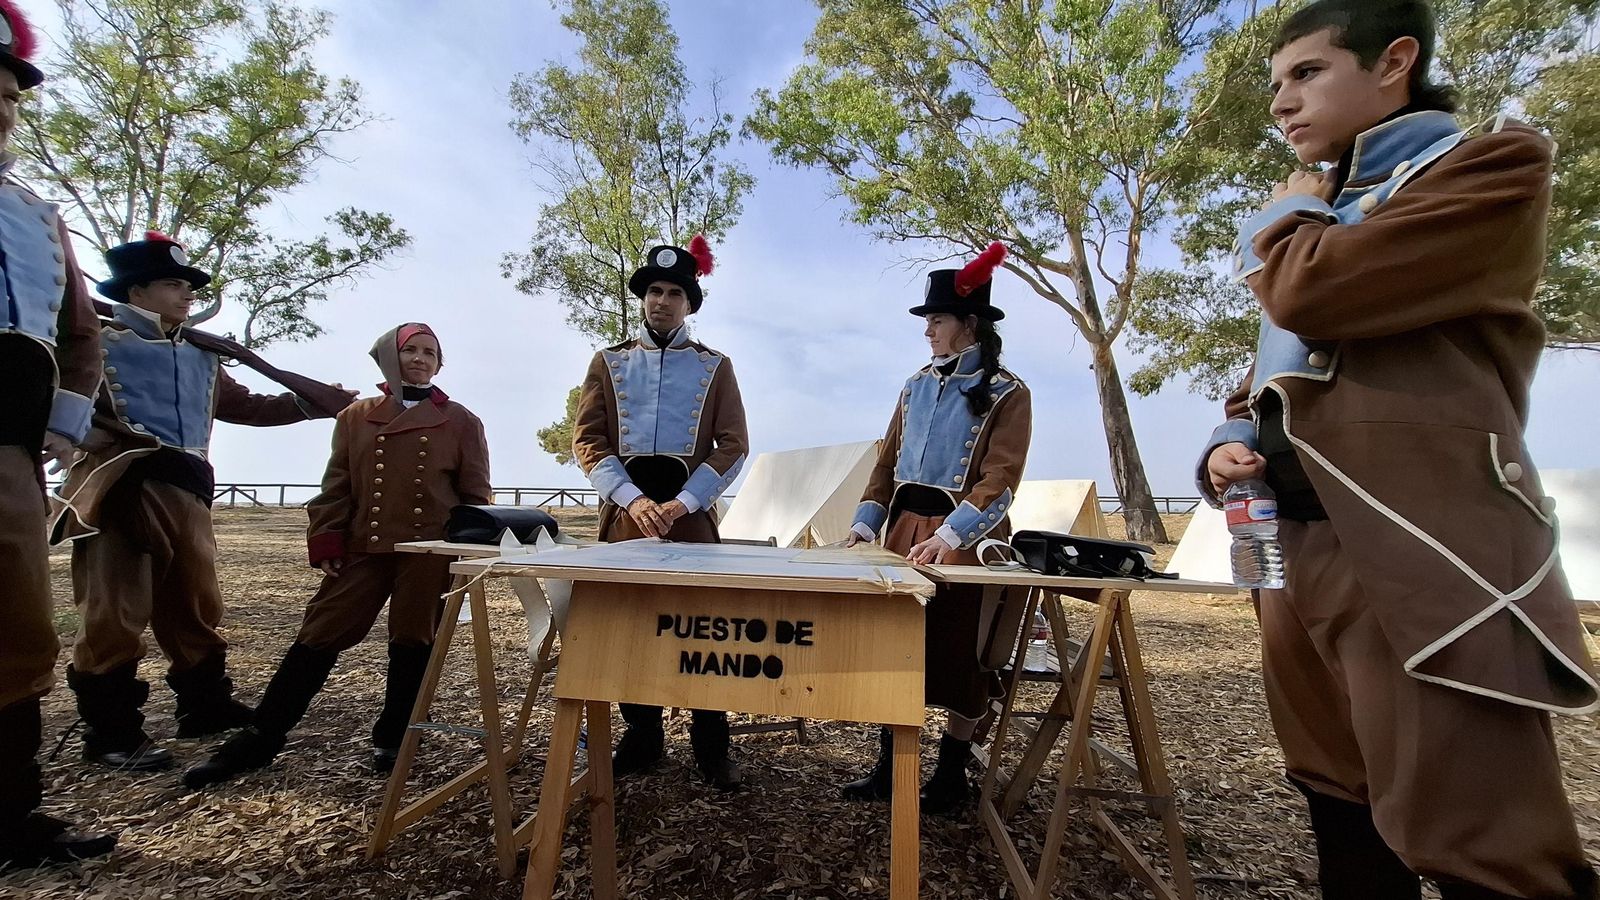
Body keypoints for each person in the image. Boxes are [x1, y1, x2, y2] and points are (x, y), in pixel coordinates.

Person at [1199, 2, 1598, 897]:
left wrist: (1293, 215)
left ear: (1396, 62)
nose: (1281, 102)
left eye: (1306, 73)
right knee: (1335, 793)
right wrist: (1231, 438)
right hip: (1290, 542)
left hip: (1418, 543)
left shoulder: (1489, 164)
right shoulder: (1326, 210)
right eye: (1274, 84)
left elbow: (1312, 297)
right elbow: (1278, 370)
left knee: (1481, 835)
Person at [51, 232, 350, 772]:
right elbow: (49, 391)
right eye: (173, 284)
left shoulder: (203, 355)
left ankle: (204, 705)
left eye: (189, 286)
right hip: (120, 488)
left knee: (195, 605)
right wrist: (74, 431)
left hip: (188, 487)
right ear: (136, 291)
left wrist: (314, 404)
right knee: (114, 613)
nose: (187, 295)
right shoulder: (90, 339)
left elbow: (244, 406)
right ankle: (112, 731)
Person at [184, 324, 491, 789]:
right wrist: (326, 538)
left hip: (428, 551)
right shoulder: (355, 416)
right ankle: (260, 737)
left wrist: (469, 550)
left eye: (431, 353)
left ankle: (395, 737)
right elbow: (337, 486)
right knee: (319, 635)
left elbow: (475, 496)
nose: (422, 359)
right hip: (363, 547)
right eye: (411, 350)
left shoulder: (462, 421)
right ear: (388, 355)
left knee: (414, 640)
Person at [840, 242, 1031, 816]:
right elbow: (885, 464)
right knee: (893, 651)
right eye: (927, 320)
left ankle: (950, 775)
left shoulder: (1010, 392)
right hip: (901, 536)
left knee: (961, 659)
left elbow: (1000, 480)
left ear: (968, 324)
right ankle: (888, 768)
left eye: (937, 319)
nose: (928, 330)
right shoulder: (914, 385)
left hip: (962, 543)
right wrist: (863, 527)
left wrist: (949, 537)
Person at [0, 0, 118, 865]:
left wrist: (65, 426)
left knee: (16, 630)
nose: (4, 109)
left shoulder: (38, 216)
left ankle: (11, 814)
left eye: (11, 96)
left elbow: (78, 334)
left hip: (9, 445)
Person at [572, 235, 750, 790]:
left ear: (689, 303)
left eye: (674, 292)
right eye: (654, 291)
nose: (662, 301)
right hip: (627, 519)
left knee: (702, 629)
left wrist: (682, 502)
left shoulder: (715, 367)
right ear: (643, 299)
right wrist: (633, 500)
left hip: (689, 520)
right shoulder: (609, 361)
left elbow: (732, 444)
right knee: (629, 627)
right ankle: (643, 735)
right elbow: (588, 441)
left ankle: (710, 745)